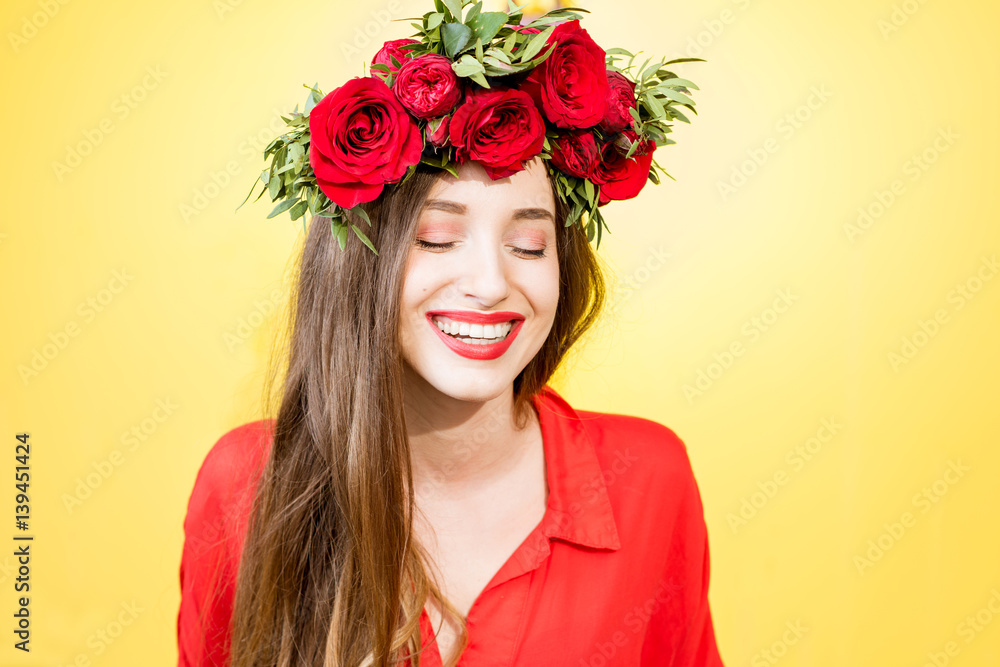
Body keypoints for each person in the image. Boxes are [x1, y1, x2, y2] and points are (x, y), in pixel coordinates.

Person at [177, 3, 722, 666]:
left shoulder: (650, 480)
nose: (490, 283)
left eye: (528, 244)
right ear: (362, 259)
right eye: (437, 237)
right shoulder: (246, 486)